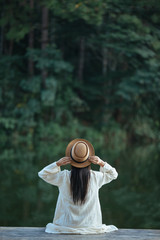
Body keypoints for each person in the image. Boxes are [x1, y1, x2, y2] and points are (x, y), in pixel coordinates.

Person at [38, 138, 118, 234]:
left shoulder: (63, 177)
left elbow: (43, 174)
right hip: (91, 226)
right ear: (88, 159)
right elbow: (114, 174)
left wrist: (57, 163)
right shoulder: (96, 177)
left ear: (71, 159)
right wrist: (101, 162)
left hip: (65, 226)